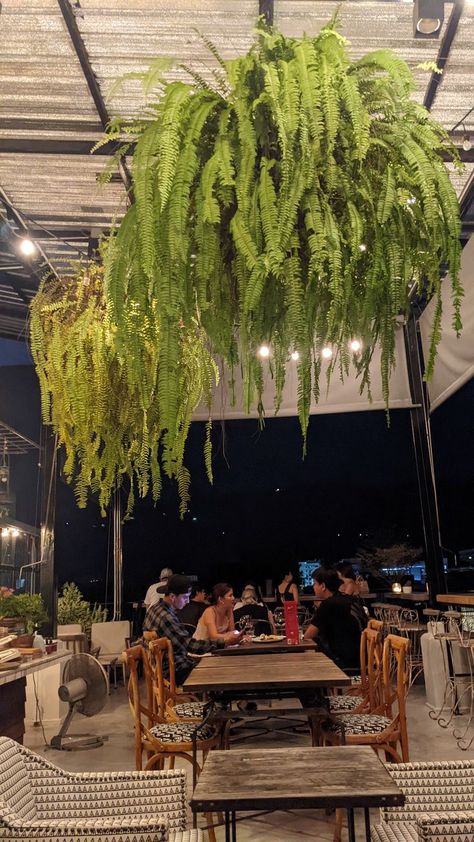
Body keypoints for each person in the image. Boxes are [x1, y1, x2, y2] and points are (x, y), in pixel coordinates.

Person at [143, 574, 228, 685]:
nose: (188, 601)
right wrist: (223, 642)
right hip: (174, 671)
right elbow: (190, 645)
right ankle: (219, 701)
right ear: (173, 596)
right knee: (220, 672)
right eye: (185, 597)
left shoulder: (153, 609)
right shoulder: (166, 618)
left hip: (160, 669)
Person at [303, 568, 367, 671]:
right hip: (362, 658)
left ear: (323, 586)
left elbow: (308, 636)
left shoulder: (329, 604)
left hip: (345, 662)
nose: (313, 587)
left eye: (315, 583)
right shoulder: (350, 599)